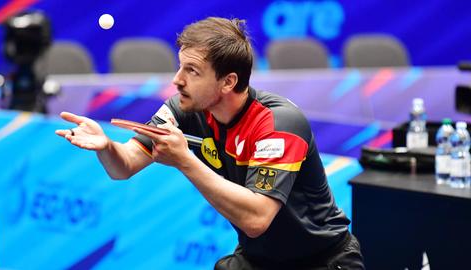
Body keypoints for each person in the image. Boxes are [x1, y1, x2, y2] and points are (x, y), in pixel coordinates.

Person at [55, 17, 364, 269]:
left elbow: (257, 219)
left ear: (228, 81)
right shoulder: (184, 108)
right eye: (180, 67)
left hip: (323, 260)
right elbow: (124, 166)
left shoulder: (278, 123)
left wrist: (184, 161)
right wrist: (107, 146)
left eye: (192, 71)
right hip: (259, 259)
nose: (177, 80)